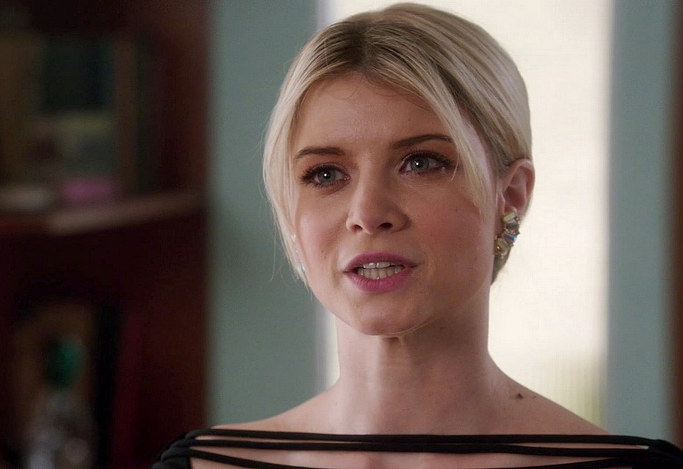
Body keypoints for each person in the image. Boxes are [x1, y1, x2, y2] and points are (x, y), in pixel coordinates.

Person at [156, 3, 683, 468]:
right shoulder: (204, 466)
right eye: (325, 174)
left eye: (421, 162)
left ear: (510, 196)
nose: (368, 213)